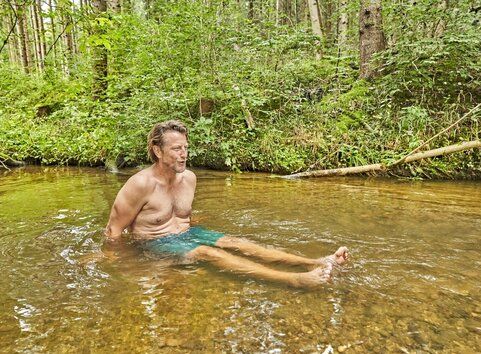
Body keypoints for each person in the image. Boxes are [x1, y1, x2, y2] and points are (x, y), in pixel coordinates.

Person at [105, 120, 349, 288]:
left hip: (187, 234)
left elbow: (181, 215)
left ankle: (318, 261)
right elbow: (113, 231)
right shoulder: (140, 184)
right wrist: (124, 263)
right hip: (155, 243)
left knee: (235, 242)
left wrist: (194, 228)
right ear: (157, 151)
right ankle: (292, 279)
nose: (184, 154)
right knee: (206, 252)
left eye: (186, 148)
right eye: (176, 149)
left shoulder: (189, 178)